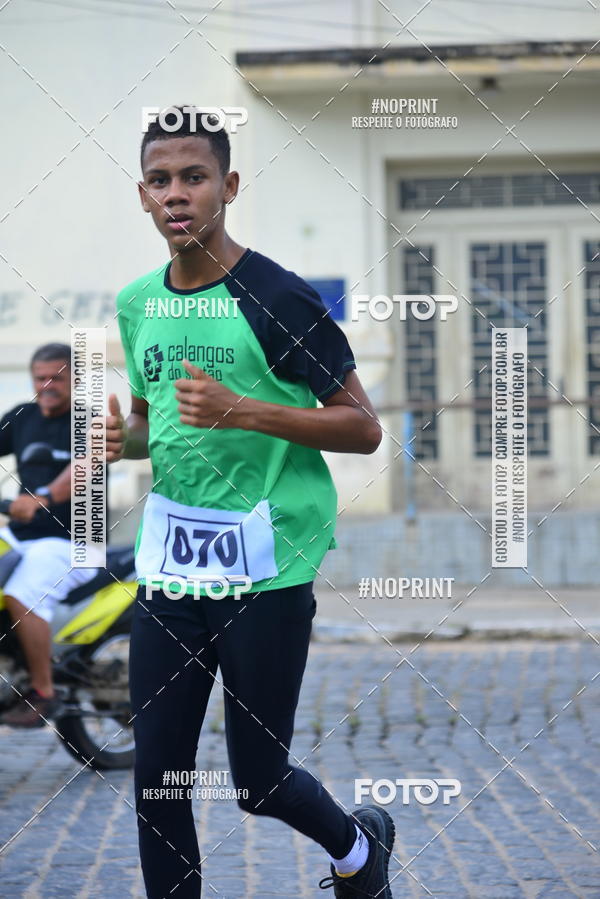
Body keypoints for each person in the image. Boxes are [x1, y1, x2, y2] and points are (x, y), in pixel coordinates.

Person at [107, 107, 394, 898]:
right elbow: (150, 426)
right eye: (160, 180)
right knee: (158, 778)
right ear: (142, 195)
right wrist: (115, 443)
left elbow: (364, 428)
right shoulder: (136, 303)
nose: (177, 194)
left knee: (257, 781)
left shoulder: (275, 297)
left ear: (227, 187)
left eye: (194, 177)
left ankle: (360, 850)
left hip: (265, 568)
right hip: (172, 568)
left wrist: (245, 409)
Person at [0, 343, 100, 727]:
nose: (47, 386)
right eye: (40, 378)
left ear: (75, 379)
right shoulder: (23, 417)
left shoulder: (91, 422)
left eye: (56, 378)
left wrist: (43, 498)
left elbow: (84, 468)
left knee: (21, 593)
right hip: (22, 536)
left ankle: (44, 691)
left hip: (74, 542)